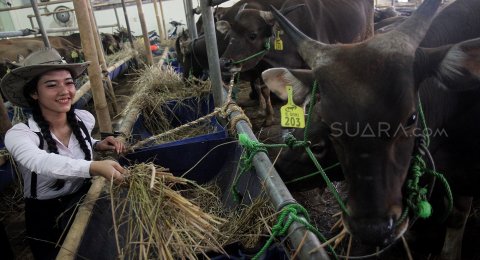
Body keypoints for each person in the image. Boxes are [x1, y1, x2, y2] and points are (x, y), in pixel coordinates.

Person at [0, 48, 127, 259]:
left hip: (83, 199)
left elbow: (75, 146)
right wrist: (93, 166)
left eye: (68, 82)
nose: (64, 90)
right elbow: (39, 161)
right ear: (33, 93)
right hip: (45, 215)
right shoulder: (20, 134)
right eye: (51, 85)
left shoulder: (84, 119)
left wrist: (96, 144)